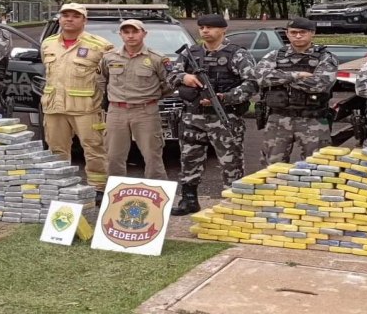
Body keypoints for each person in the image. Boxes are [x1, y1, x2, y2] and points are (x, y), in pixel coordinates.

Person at [168, 14, 257, 216]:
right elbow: (170, 76)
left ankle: (233, 204)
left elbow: (252, 84)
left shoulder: (237, 54)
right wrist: (184, 77)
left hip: (225, 117)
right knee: (189, 159)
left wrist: (225, 97)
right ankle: (189, 200)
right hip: (193, 117)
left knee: (231, 162)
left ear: (223, 30)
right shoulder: (191, 53)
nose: (205, 31)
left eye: (210, 27)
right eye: (201, 28)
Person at [41, 3, 113, 204]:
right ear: (59, 19)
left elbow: (110, 76)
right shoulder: (48, 43)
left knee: (94, 148)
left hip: (86, 107)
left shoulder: (100, 45)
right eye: (65, 15)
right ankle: (62, 186)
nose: (69, 19)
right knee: (56, 149)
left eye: (75, 16)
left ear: (84, 20)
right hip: (54, 107)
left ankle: (97, 188)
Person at [255, 18, 338, 165]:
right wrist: (296, 75)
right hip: (278, 119)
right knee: (271, 167)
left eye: (302, 32)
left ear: (312, 33)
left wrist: (280, 78)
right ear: (287, 34)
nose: (298, 36)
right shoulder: (275, 55)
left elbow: (319, 84)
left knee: (317, 166)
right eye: (293, 32)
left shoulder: (325, 57)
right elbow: (261, 77)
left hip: (313, 119)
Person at [99, 19, 172, 180]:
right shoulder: (109, 57)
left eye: (135, 32)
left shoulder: (157, 58)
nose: (130, 36)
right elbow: (102, 80)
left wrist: (153, 95)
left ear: (144, 34)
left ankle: (157, 199)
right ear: (121, 35)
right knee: (113, 156)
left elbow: (169, 83)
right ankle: (115, 197)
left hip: (145, 111)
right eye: (126, 32)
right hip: (116, 111)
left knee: (152, 156)